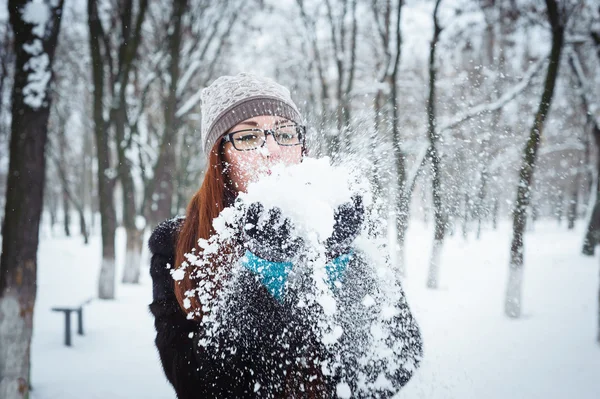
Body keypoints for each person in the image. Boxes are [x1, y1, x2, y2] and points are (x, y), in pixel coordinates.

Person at [148, 73, 422, 398]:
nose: (273, 150)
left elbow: (396, 363)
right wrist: (265, 271)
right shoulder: (177, 243)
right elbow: (196, 386)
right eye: (249, 137)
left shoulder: (336, 224)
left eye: (285, 132)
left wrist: (344, 265)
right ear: (220, 157)